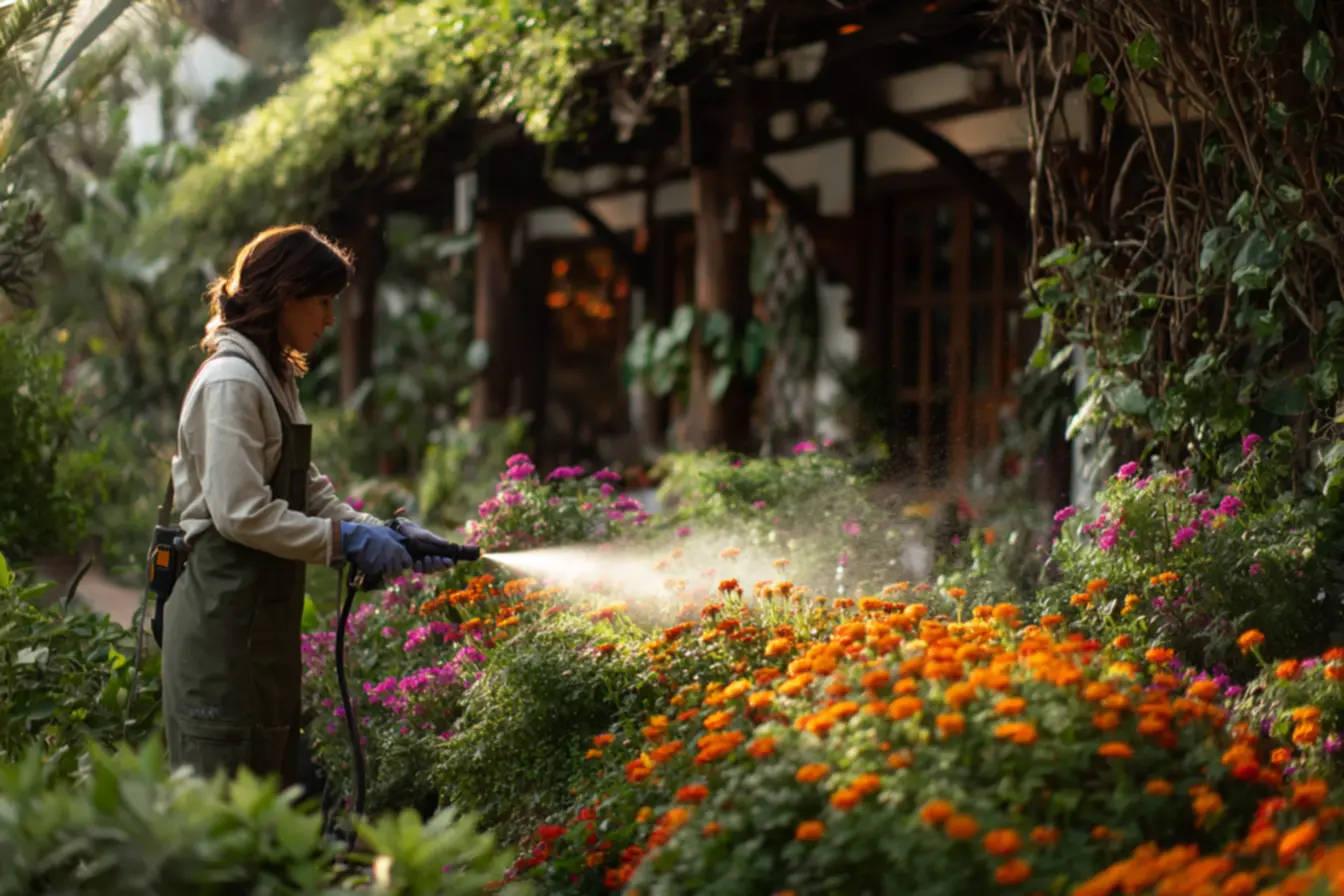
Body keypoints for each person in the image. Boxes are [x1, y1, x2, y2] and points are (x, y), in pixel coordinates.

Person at [161, 223, 452, 788]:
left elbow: (307, 491)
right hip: (221, 632)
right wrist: (344, 543)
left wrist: (385, 533)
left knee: (261, 797)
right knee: (216, 819)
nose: (329, 321)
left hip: (257, 626)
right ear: (285, 296)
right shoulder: (232, 383)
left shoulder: (271, 379)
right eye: (322, 303)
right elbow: (240, 513)